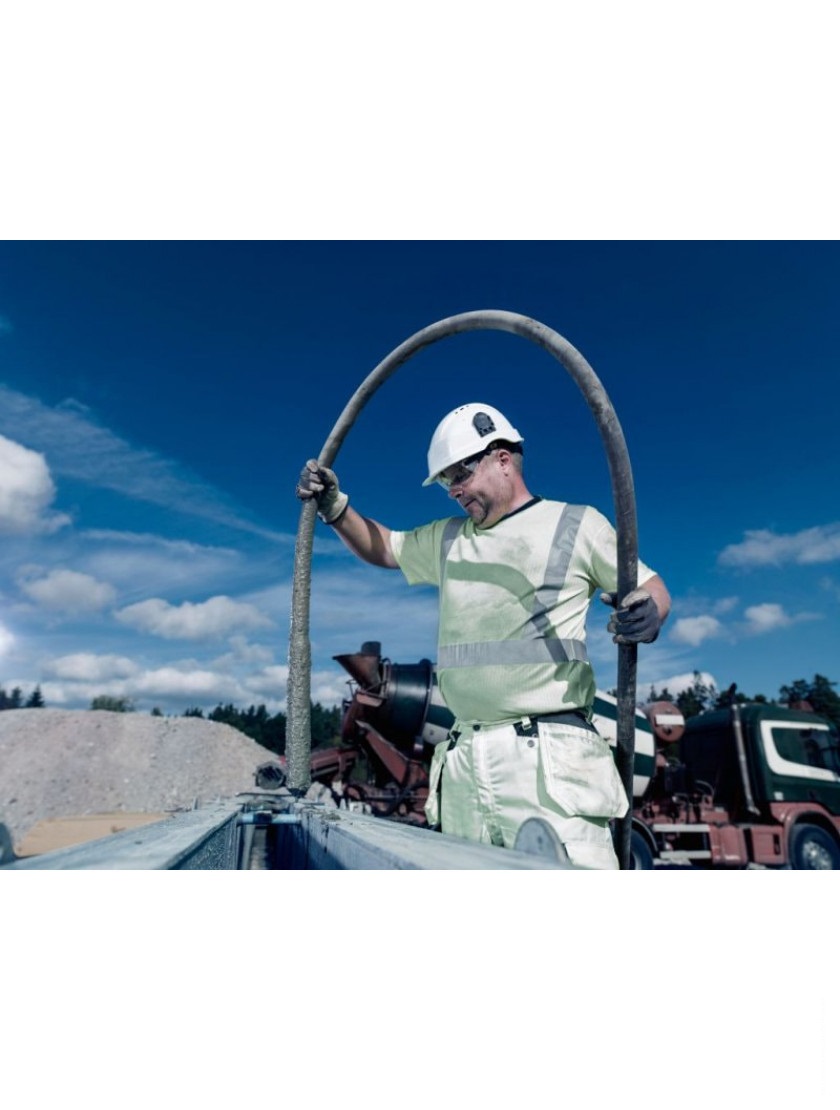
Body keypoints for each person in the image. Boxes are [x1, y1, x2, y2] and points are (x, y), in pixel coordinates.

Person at [296, 402, 670, 869]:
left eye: (460, 474)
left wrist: (649, 610)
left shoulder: (575, 525)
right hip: (464, 762)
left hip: (548, 763)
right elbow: (385, 548)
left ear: (503, 459)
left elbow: (651, 587)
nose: (454, 490)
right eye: (446, 482)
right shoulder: (449, 539)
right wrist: (335, 508)